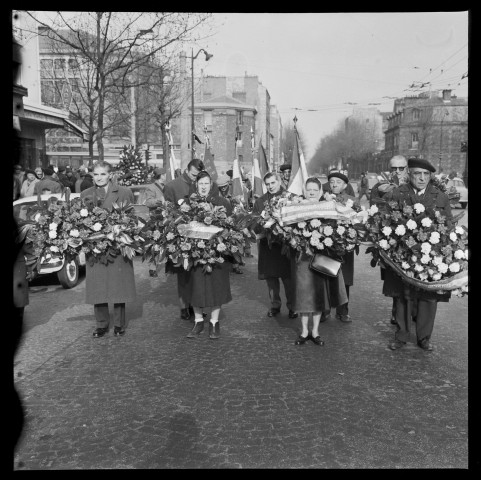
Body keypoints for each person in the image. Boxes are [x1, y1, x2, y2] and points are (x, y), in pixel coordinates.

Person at [383, 157, 453, 352]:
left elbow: (448, 225)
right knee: (403, 296)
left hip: (430, 255)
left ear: (430, 176)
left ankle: (424, 337)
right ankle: (401, 335)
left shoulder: (439, 196)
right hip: (403, 254)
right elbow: (387, 221)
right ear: (409, 175)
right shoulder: (398, 194)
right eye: (417, 174)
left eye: (426, 175)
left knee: (428, 297)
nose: (422, 178)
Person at [80, 161, 136, 338]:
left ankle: (119, 324)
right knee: (98, 287)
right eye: (95, 175)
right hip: (94, 246)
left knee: (118, 286)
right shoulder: (86, 194)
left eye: (102, 174)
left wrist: (121, 231)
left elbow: (131, 218)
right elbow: (79, 221)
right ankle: (101, 324)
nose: (99, 178)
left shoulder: (124, 192)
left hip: (117, 246)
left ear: (110, 175)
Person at [291, 177, 349, 346]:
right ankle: (303, 331)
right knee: (303, 295)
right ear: (304, 191)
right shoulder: (297, 208)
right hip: (303, 258)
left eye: (315, 190)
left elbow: (336, 230)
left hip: (321, 258)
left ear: (321, 192)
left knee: (318, 295)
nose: (311, 192)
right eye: (308, 189)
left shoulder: (328, 209)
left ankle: (315, 331)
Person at [184, 171, 233, 340]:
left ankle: (214, 322)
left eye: (206, 183)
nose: (203, 187)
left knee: (216, 286)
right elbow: (183, 228)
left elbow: (230, 227)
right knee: (196, 287)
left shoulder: (222, 203)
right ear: (196, 185)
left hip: (216, 254)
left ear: (211, 184)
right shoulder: (189, 204)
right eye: (200, 183)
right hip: (195, 254)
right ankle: (198, 321)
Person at [163, 159, 206, 320]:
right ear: (187, 170)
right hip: (181, 235)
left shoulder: (204, 184)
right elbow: (167, 211)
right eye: (193, 175)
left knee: (199, 273)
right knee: (183, 273)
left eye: (198, 176)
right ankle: (184, 306)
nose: (195, 179)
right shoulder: (172, 186)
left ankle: (198, 304)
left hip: (201, 234)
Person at [370, 155, 409, 325]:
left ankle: (410, 312)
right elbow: (374, 210)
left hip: (410, 238)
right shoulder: (380, 188)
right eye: (394, 168)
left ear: (407, 169)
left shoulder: (412, 185)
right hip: (389, 238)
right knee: (393, 277)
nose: (398, 172)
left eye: (401, 168)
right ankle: (396, 311)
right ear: (389, 169)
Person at [253, 171, 297, 319]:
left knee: (289, 278)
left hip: (285, 245)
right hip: (268, 245)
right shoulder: (260, 202)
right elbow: (254, 222)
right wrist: (261, 224)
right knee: (271, 277)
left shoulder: (290, 198)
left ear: (279, 182)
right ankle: (275, 305)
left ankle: (293, 306)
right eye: (267, 184)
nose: (270, 186)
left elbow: (296, 220)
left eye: (273, 183)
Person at [322, 171, 359, 323]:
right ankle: (324, 310)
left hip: (345, 247)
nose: (335, 185)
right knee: (325, 276)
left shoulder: (352, 201)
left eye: (338, 182)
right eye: (332, 182)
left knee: (344, 279)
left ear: (345, 185)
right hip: (327, 246)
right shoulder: (323, 199)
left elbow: (360, 222)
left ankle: (342, 311)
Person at [144, 167, 167, 277]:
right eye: (164, 174)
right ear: (160, 175)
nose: (165, 176)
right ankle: (152, 268)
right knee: (155, 244)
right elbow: (148, 202)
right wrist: (159, 202)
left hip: (166, 219)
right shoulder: (151, 188)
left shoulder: (166, 187)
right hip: (156, 220)